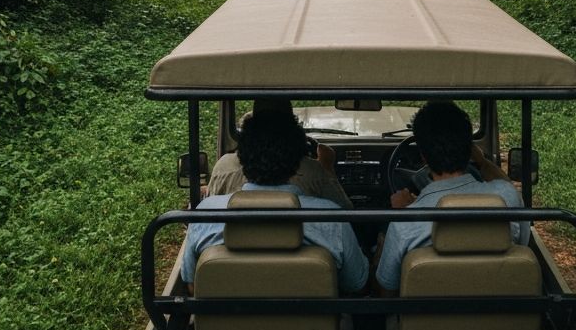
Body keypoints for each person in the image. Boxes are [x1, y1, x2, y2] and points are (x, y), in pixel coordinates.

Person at [181, 109, 369, 295]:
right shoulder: (330, 219)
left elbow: (192, 285)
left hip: (223, 325)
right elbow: (355, 284)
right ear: (298, 162)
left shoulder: (207, 213)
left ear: (241, 159)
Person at [372, 100, 529, 295]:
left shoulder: (405, 223)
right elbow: (522, 242)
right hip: (499, 319)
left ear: (423, 156)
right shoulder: (507, 197)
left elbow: (385, 289)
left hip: (426, 324)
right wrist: (481, 161)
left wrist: (402, 214)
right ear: (469, 148)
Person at [205, 98, 353, 207]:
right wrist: (327, 167)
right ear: (295, 140)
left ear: (247, 139)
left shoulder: (223, 169)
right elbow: (346, 212)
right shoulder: (314, 173)